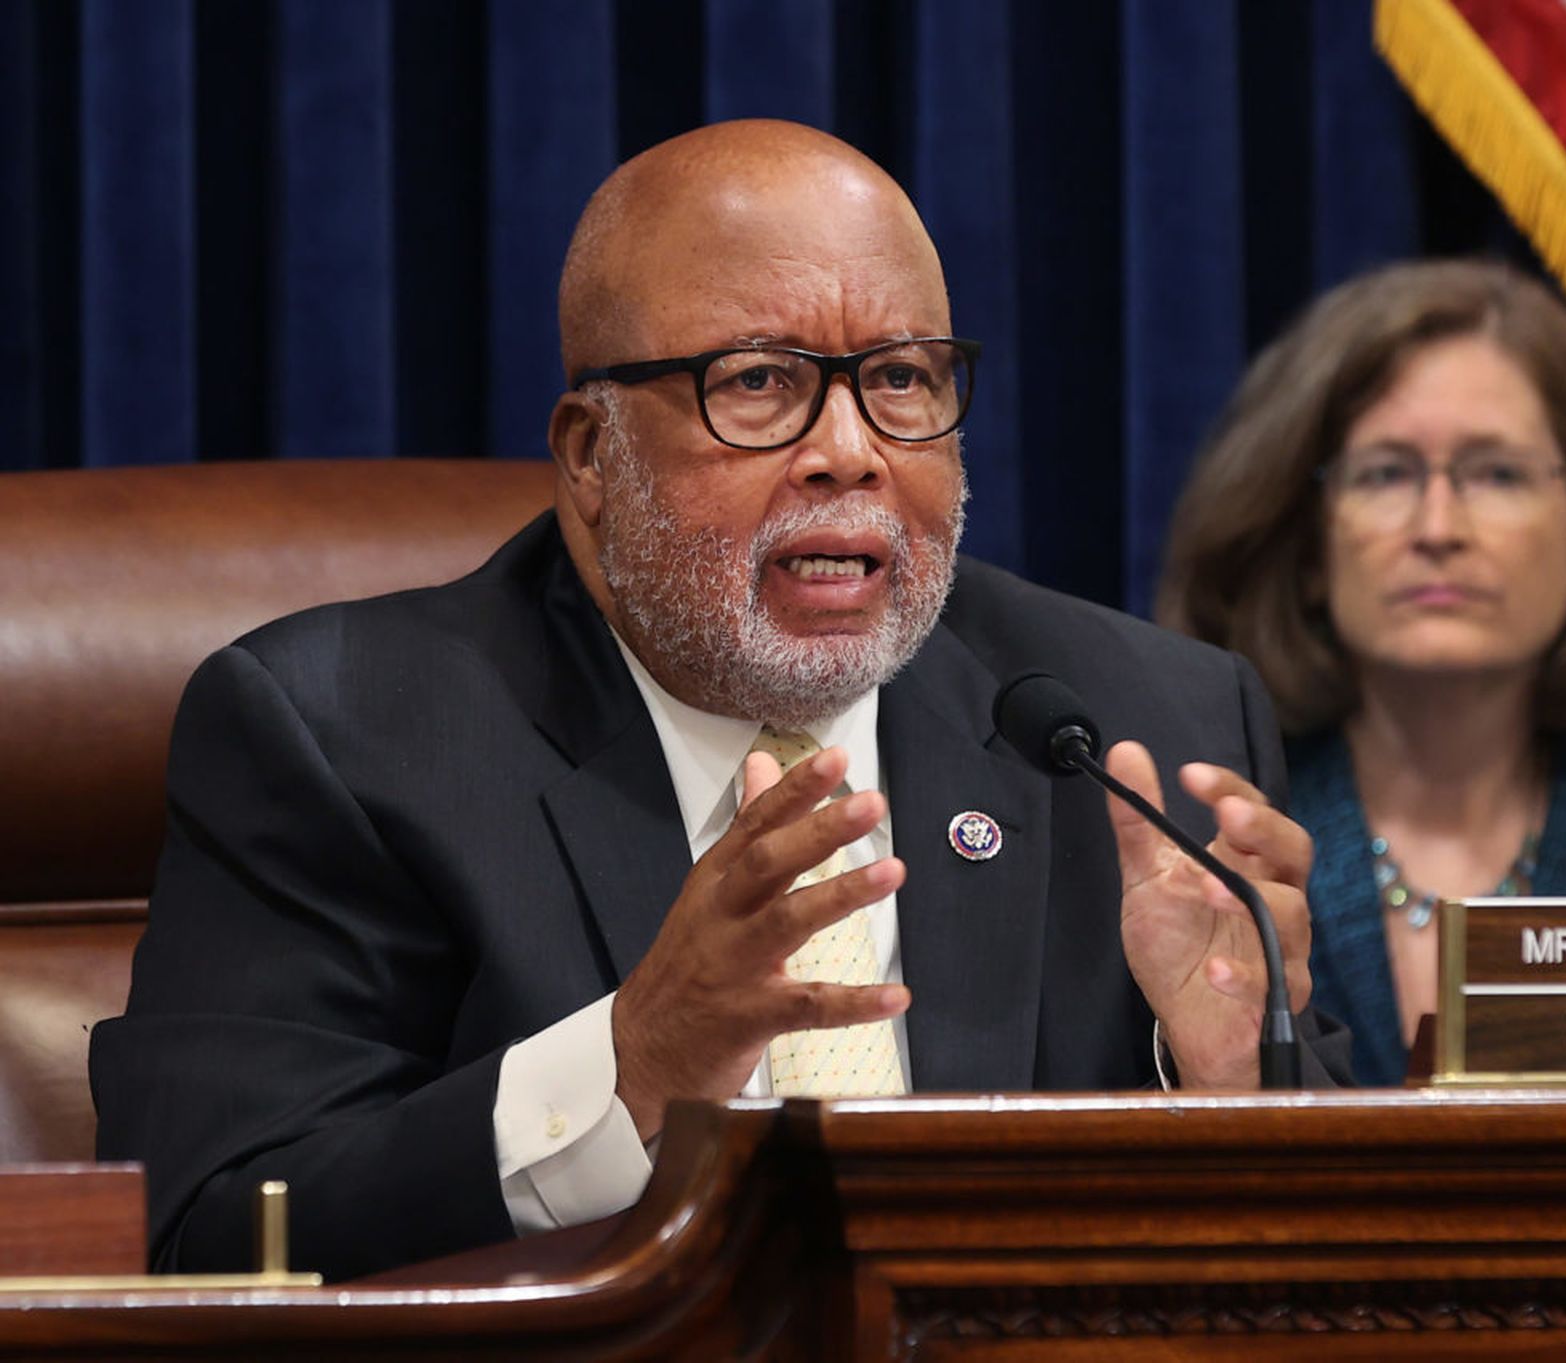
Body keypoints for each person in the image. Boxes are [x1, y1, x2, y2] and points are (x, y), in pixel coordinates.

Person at [89, 120, 1349, 1281]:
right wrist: (630, 1067)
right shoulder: (342, 735)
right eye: (759, 382)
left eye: (902, 379)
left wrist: (1239, 1078)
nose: (849, 448)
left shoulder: (1139, 730)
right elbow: (209, 1224)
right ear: (592, 456)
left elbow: (1343, 1262)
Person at [1158, 259, 1566, 1088]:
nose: (1438, 526)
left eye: (1496, 473)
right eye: (1386, 473)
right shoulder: (1221, 861)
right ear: (1312, 542)